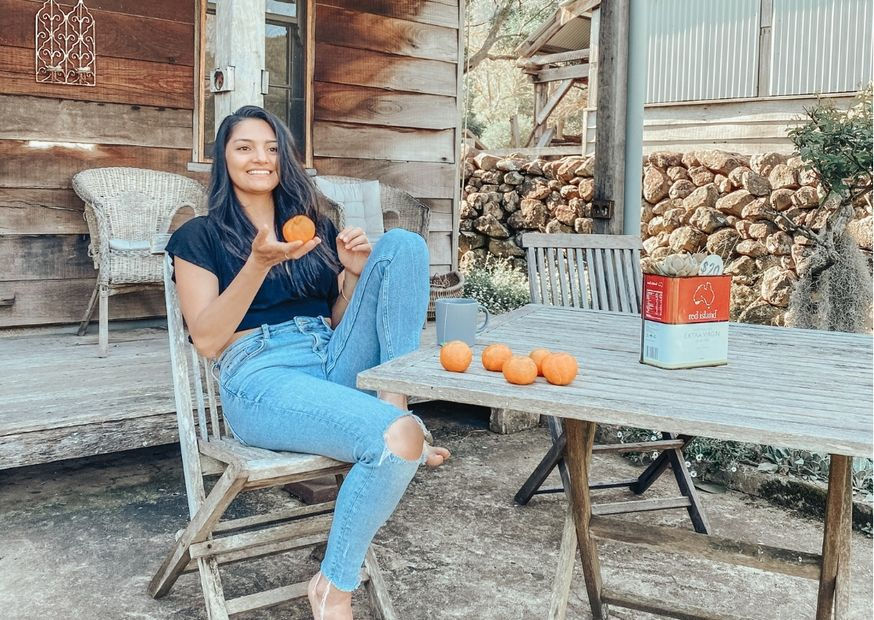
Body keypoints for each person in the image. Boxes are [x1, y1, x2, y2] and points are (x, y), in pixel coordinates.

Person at [165, 105, 450, 620]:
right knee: (396, 441)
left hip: (329, 356)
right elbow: (206, 339)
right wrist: (257, 263)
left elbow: (339, 322)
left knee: (403, 245)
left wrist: (356, 276)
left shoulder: (315, 227)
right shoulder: (199, 236)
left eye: (273, 148)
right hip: (261, 376)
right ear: (223, 159)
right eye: (245, 147)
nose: (261, 158)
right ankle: (334, 588)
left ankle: (395, 397)